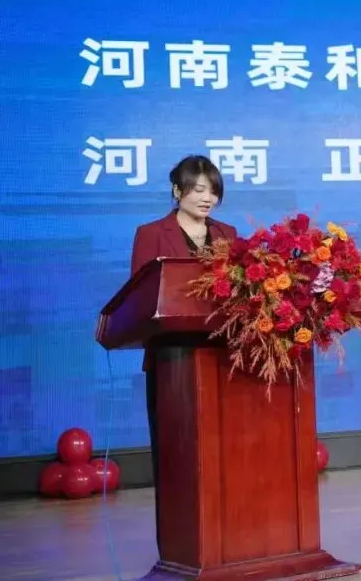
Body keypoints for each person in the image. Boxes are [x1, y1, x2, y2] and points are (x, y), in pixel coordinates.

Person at [129, 155, 237, 554]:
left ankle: (224, 543)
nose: (208, 199)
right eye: (199, 190)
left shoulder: (227, 234)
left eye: (214, 191)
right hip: (171, 360)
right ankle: (178, 550)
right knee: (176, 459)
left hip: (220, 357)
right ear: (178, 191)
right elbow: (142, 298)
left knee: (222, 457)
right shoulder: (151, 234)